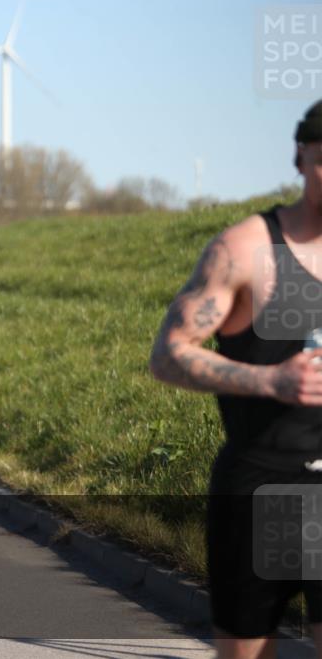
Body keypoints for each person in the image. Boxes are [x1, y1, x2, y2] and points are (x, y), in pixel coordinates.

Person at [149, 101, 322, 658]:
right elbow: (170, 354)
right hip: (262, 488)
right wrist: (270, 380)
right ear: (300, 157)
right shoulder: (247, 249)